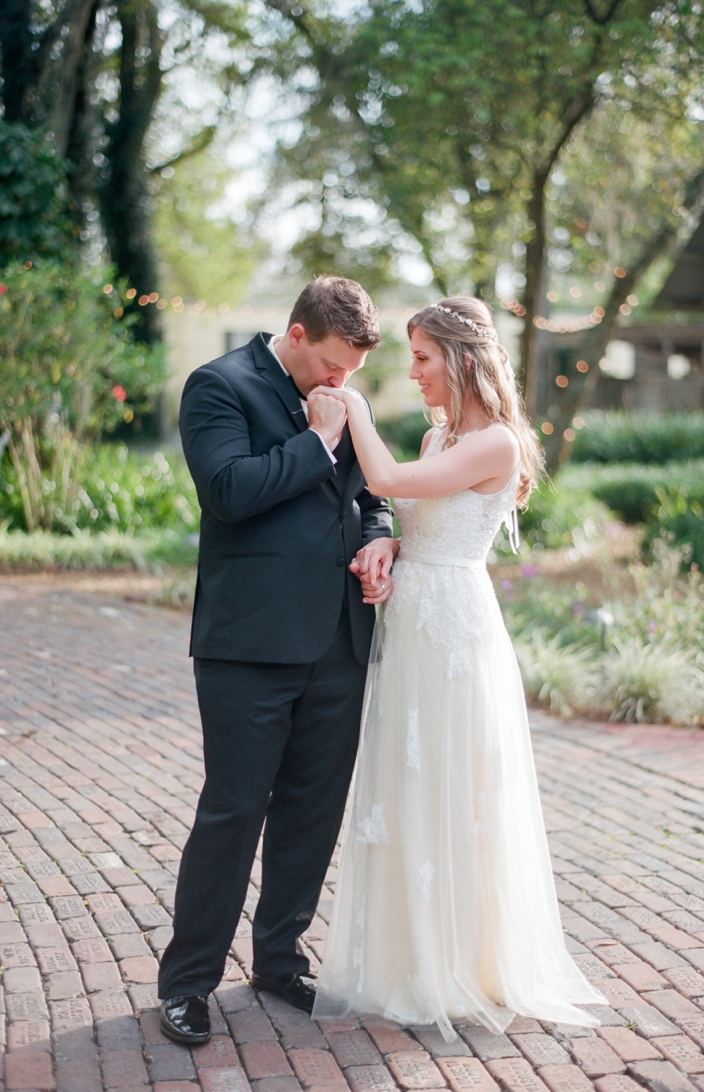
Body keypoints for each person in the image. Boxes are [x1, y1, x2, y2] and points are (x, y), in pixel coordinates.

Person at [311, 297, 608, 1040]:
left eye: (420, 358)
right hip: (413, 620)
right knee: (409, 783)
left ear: (462, 360)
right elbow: (426, 523)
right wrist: (389, 551)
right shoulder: (441, 432)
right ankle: (406, 954)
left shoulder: (499, 444)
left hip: (455, 634)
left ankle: (461, 962)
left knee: (454, 782)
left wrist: (351, 404)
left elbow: (384, 482)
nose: (412, 374)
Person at [157, 277, 395, 1045]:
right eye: (331, 365)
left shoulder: (343, 393)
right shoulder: (218, 387)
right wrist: (318, 439)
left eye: (353, 373)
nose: (342, 383)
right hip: (249, 644)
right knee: (233, 812)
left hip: (339, 638)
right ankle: (188, 983)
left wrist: (379, 538)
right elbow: (228, 491)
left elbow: (371, 495)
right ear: (296, 335)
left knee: (312, 809)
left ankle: (279, 958)